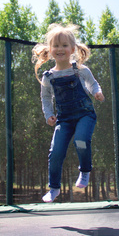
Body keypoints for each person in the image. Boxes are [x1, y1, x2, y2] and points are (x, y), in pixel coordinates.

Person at [32, 23, 105, 203]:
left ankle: (85, 171)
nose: (60, 49)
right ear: (50, 50)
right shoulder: (48, 77)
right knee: (55, 152)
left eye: (64, 45)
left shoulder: (79, 69)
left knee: (81, 140)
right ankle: (54, 188)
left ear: (72, 49)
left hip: (84, 114)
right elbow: (46, 98)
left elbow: (92, 83)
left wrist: (97, 92)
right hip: (64, 119)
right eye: (56, 46)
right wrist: (48, 114)